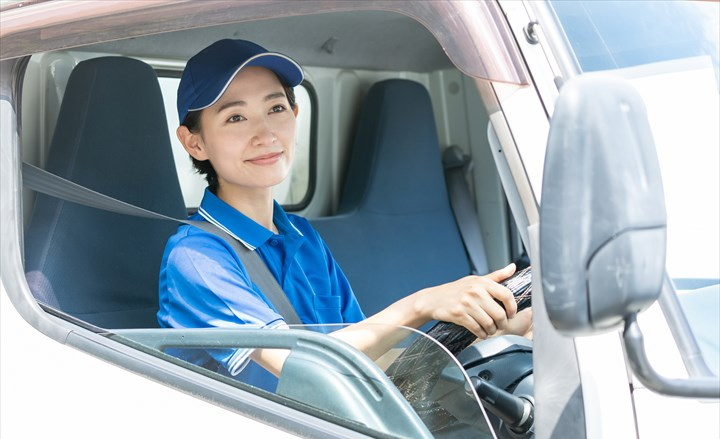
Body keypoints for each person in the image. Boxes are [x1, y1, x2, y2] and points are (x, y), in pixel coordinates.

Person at [157, 39, 532, 391]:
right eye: (236, 118)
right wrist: (421, 305)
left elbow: (364, 357)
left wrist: (489, 337)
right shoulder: (197, 257)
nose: (266, 133)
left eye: (276, 109)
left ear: (294, 113)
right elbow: (300, 367)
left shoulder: (302, 237)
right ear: (195, 143)